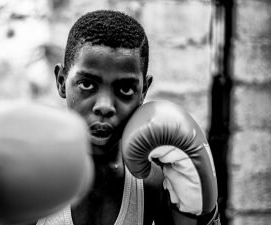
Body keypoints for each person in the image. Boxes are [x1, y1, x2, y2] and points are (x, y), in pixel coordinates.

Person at [37, 10, 220, 225]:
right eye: (87, 84)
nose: (104, 106)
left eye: (124, 89)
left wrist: (205, 213)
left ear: (143, 91)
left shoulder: (154, 186)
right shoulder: (32, 180)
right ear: (61, 81)